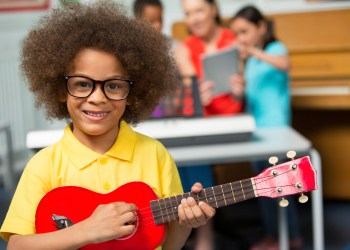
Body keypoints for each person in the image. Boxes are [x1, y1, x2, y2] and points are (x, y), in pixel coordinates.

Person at [0, 1, 216, 249]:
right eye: (82, 84)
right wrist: (88, 231)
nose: (97, 97)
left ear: (133, 93)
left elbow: (169, 245)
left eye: (113, 86)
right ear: (61, 89)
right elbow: (16, 246)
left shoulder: (155, 155)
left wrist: (185, 224)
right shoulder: (44, 165)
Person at [230, 5, 303, 250]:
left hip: (277, 130)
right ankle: (273, 235)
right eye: (236, 34)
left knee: (281, 186)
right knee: (263, 188)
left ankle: (290, 236)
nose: (241, 38)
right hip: (257, 130)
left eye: (244, 31)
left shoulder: (275, 49)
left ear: (261, 27)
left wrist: (252, 51)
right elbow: (247, 95)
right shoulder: (249, 61)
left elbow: (284, 63)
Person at [174, 0, 244, 249]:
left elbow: (247, 90)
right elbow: (187, 100)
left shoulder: (234, 39)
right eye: (188, 14)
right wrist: (197, 96)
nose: (194, 18)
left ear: (213, 9)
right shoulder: (184, 48)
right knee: (190, 157)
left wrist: (240, 91)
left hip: (234, 122)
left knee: (193, 157)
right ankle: (202, 233)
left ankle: (201, 232)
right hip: (202, 124)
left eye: (199, 10)